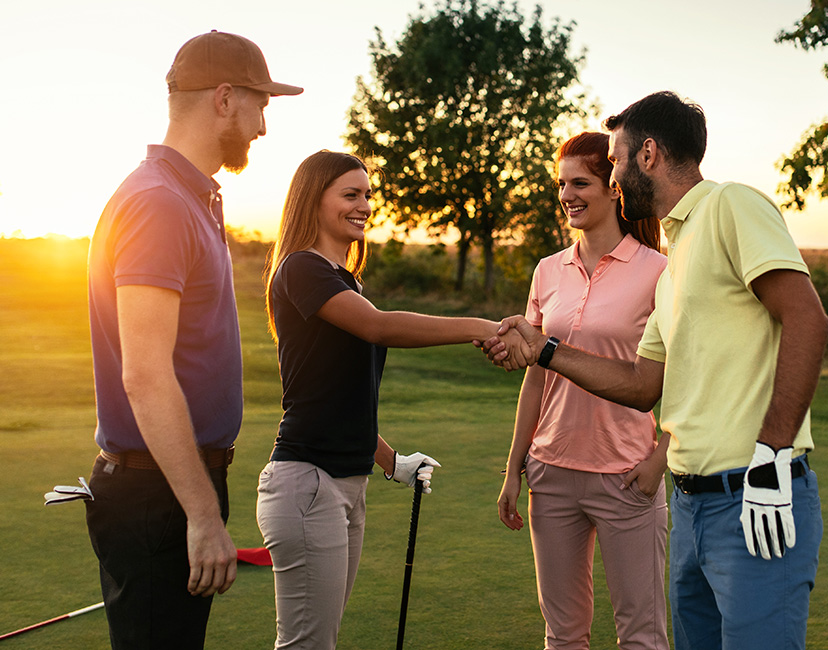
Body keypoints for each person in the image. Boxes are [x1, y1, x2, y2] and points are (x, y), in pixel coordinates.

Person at [485, 91, 828, 650]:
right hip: (692, 507)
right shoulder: (675, 264)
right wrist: (544, 349)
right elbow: (641, 386)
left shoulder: (729, 205)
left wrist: (772, 455)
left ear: (647, 155)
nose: (613, 177)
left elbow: (807, 320)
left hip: (752, 491)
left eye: (616, 161)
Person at [255, 150, 530, 649]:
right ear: (313, 200)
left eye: (367, 195)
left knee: (321, 640)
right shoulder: (301, 269)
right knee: (307, 645)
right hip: (307, 483)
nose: (363, 205)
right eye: (350, 194)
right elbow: (379, 325)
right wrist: (485, 327)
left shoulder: (345, 280)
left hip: (344, 483)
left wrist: (392, 462)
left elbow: (338, 401)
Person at [86, 31, 302, 649]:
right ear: (226, 99)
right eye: (262, 103)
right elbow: (145, 373)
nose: (263, 125)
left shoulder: (190, 196)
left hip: (175, 484)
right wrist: (203, 515)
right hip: (161, 495)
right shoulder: (159, 202)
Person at [498, 132, 669, 650]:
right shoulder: (548, 271)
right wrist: (514, 469)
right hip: (551, 474)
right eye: (561, 183)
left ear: (614, 188)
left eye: (581, 182)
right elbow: (536, 374)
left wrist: (658, 461)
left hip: (627, 475)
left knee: (641, 636)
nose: (567, 194)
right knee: (563, 635)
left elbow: (683, 378)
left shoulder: (659, 272)